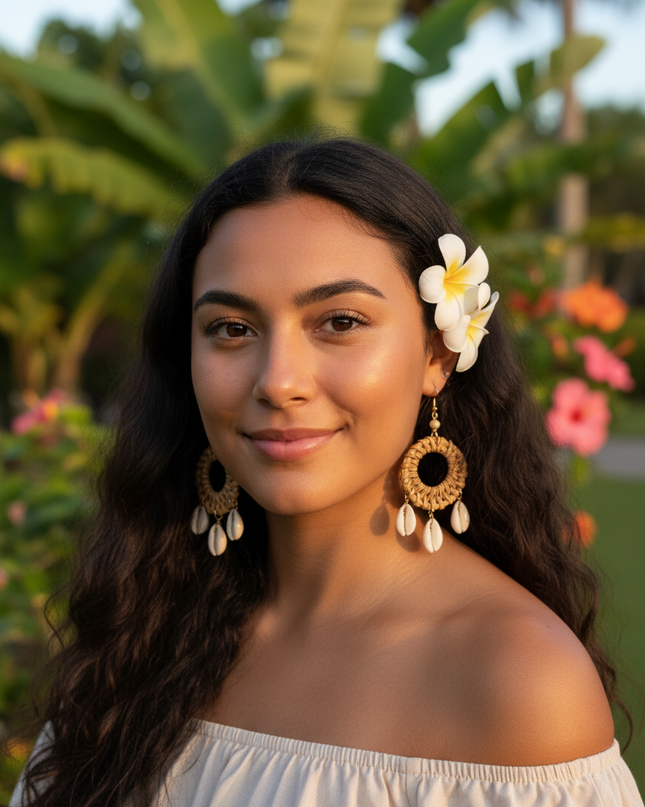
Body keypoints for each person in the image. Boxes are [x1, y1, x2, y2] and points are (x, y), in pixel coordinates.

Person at [10, 139, 643, 806]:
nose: (278, 381)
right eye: (230, 328)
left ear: (436, 352)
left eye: (339, 321)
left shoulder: (516, 682)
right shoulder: (144, 626)